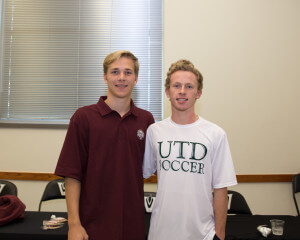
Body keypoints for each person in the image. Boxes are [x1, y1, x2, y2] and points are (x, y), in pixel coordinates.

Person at [55, 50, 155, 240]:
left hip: (133, 224)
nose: (121, 78)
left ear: (136, 79)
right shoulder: (83, 118)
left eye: (128, 72)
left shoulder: (146, 120)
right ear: (105, 77)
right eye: (115, 72)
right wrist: (74, 224)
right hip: (92, 226)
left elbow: (158, 167)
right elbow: (72, 175)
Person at [143, 59, 237, 240]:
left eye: (189, 86)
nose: (182, 91)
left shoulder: (215, 134)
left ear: (199, 93)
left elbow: (220, 190)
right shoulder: (154, 131)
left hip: (203, 234)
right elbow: (140, 173)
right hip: (160, 232)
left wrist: (220, 234)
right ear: (167, 91)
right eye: (176, 85)